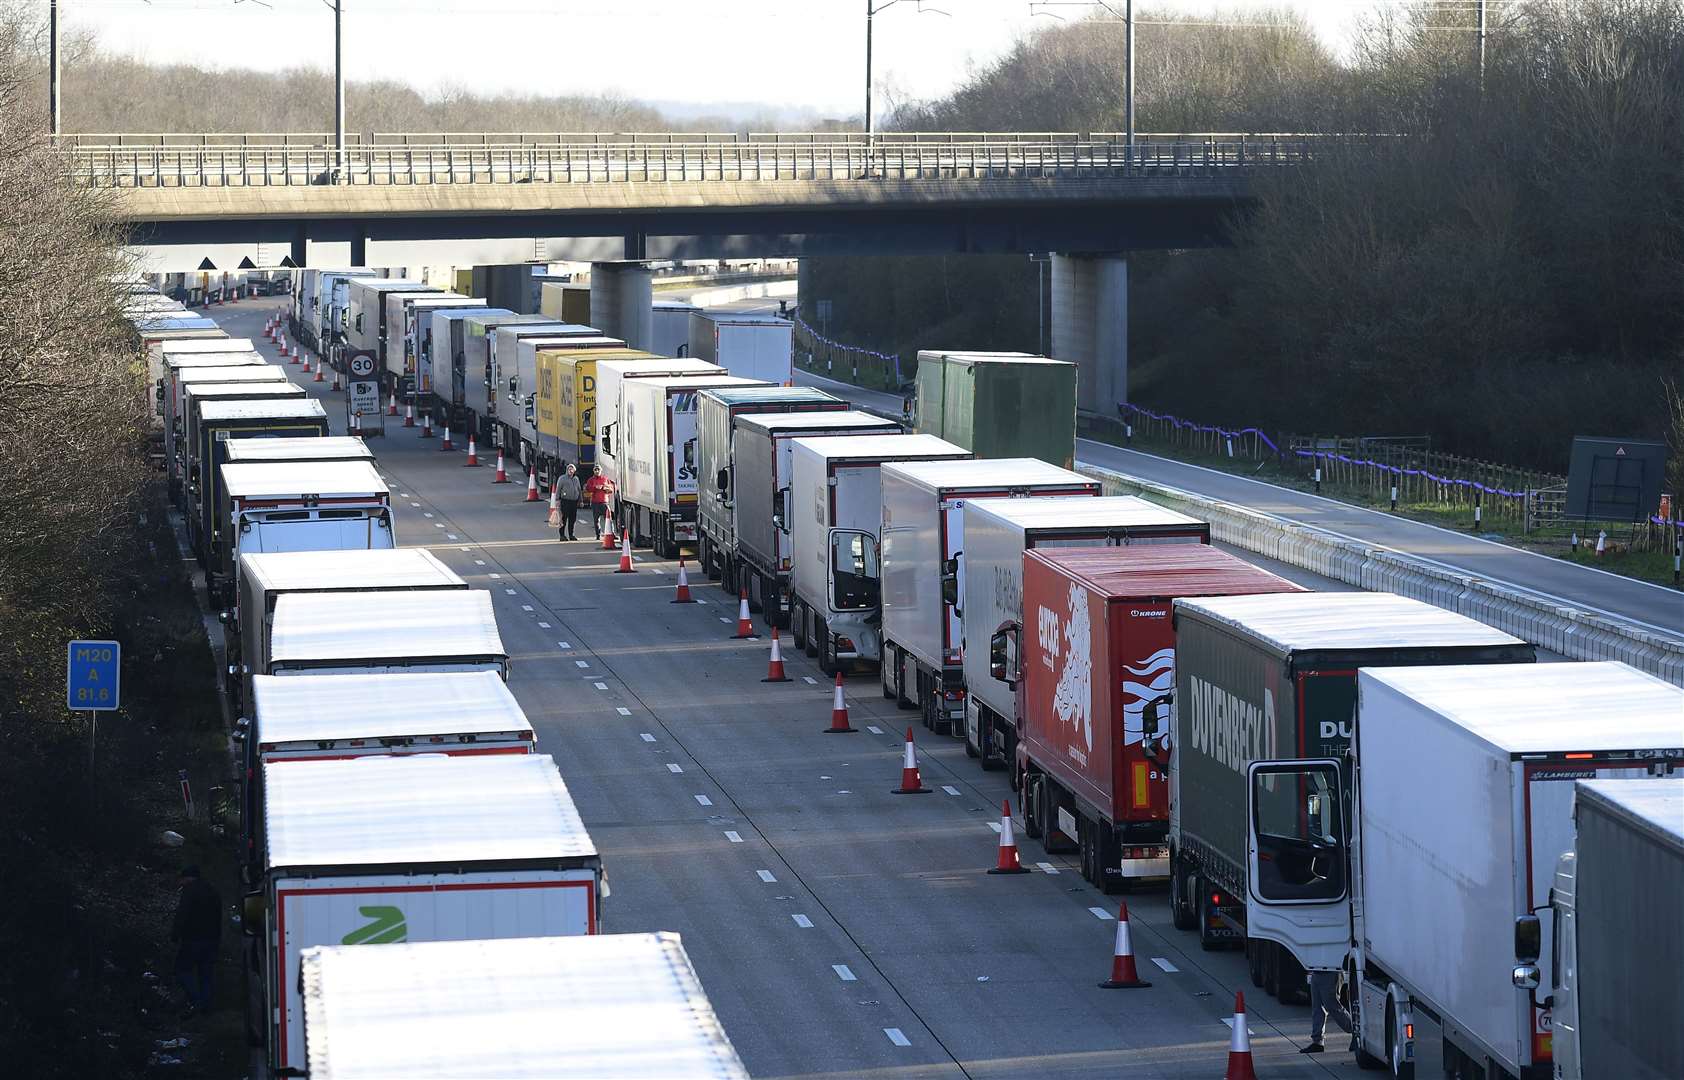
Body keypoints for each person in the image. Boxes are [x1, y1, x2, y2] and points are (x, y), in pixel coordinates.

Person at [171, 865, 221, 1014]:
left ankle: (196, 1001)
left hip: (193, 939)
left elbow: (182, 914)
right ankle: (205, 1007)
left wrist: (175, 934)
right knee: (206, 974)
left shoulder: (190, 891)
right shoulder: (212, 890)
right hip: (212, 940)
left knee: (181, 971)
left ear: (187, 878)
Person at [1303, 966, 1353, 1054]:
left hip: (1332, 971)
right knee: (1317, 1007)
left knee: (1332, 1006)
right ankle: (1317, 1042)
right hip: (1317, 971)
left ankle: (1356, 1032)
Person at [583, 464, 615, 540]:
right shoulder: (591, 480)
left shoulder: (605, 479)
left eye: (598, 470)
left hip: (604, 502)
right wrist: (595, 488)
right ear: (593, 471)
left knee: (608, 519)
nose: (597, 471)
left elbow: (611, 489)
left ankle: (612, 533)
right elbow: (587, 489)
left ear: (601, 471)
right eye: (595, 470)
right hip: (595, 502)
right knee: (596, 520)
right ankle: (598, 534)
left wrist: (604, 488)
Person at [555, 463, 583, 541]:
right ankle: (562, 535)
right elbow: (558, 490)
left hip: (574, 502)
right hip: (565, 501)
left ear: (574, 471)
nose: (570, 471)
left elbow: (579, 490)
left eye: (572, 469)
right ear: (567, 470)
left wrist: (581, 500)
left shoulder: (576, 479)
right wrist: (557, 500)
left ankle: (571, 535)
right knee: (564, 519)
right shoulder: (562, 478)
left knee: (572, 519)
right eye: (569, 469)